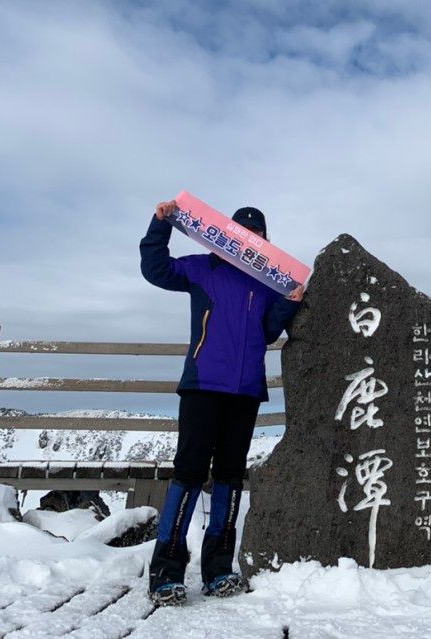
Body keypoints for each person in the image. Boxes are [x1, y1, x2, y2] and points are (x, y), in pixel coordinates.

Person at [140, 200, 304, 606]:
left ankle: (218, 570)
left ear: (265, 241)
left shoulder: (267, 283)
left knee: (230, 478)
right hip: (202, 387)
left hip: (245, 391)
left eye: (259, 235)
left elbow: (266, 332)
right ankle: (166, 571)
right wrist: (160, 224)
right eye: (243, 233)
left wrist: (291, 300)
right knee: (189, 474)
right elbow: (156, 269)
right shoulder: (202, 268)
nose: (251, 240)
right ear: (228, 235)